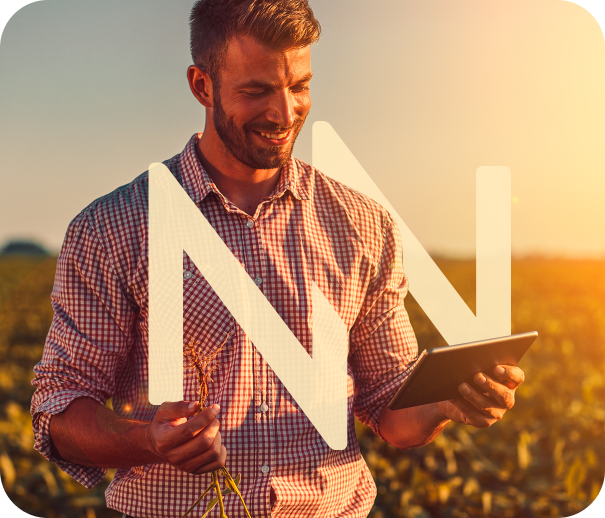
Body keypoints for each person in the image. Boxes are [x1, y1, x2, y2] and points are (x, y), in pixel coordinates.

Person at [30, 1, 525, 517]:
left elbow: (390, 408)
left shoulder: (364, 225)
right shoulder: (114, 228)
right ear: (202, 86)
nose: (285, 113)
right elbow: (61, 412)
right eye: (257, 91)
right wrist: (149, 440)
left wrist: (447, 400)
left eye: (299, 86)